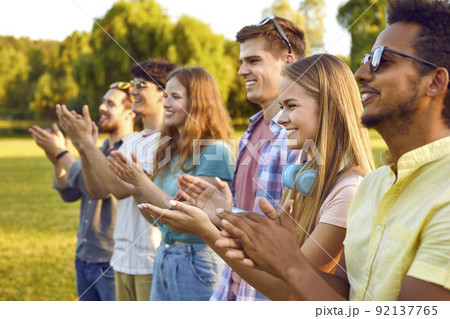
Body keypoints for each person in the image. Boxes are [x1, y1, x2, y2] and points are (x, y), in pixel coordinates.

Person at [216, 0, 450, 301]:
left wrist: (289, 263)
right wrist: (286, 258)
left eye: (381, 60)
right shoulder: (373, 186)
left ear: (435, 82)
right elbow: (345, 290)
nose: (360, 73)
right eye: (366, 58)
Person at [139, 53, 376, 300]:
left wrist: (207, 231)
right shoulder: (304, 178)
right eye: (281, 107)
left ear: (329, 106)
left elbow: (287, 288)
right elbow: (274, 260)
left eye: (291, 106)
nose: (281, 118)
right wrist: (224, 215)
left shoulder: (348, 191)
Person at [168, 16, 306, 301]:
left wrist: (209, 226)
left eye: (253, 61)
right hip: (233, 288)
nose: (242, 71)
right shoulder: (250, 132)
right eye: (242, 62)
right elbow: (244, 217)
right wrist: (220, 214)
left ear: (288, 62)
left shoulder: (300, 137)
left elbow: (297, 236)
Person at [108, 66, 235, 301]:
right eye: (165, 95)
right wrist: (137, 189)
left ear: (199, 103)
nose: (165, 103)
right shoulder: (170, 150)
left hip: (196, 261)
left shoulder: (215, 151)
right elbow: (161, 222)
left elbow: (187, 218)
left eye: (174, 97)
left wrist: (140, 182)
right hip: (165, 254)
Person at [57, 59, 176, 301]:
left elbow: (121, 189)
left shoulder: (168, 142)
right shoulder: (131, 141)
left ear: (163, 93)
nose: (133, 91)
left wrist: (87, 144)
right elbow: (99, 189)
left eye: (141, 86)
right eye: (133, 85)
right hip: (120, 260)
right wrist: (83, 147)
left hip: (148, 262)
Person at [29, 82, 135, 300]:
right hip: (84, 257)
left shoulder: (130, 151)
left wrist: (61, 152)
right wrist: (57, 162)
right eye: (103, 101)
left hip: (110, 261)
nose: (102, 107)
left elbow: (100, 190)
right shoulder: (100, 149)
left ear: (130, 113)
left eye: (111, 103)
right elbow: (70, 194)